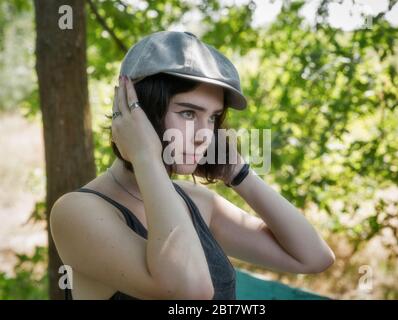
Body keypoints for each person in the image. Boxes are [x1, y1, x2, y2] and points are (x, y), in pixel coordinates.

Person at [50, 31, 335, 300]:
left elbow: (313, 257)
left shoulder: (195, 200)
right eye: (188, 113)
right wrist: (146, 156)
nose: (204, 135)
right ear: (135, 109)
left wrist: (238, 173)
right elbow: (190, 291)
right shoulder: (77, 212)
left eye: (213, 118)